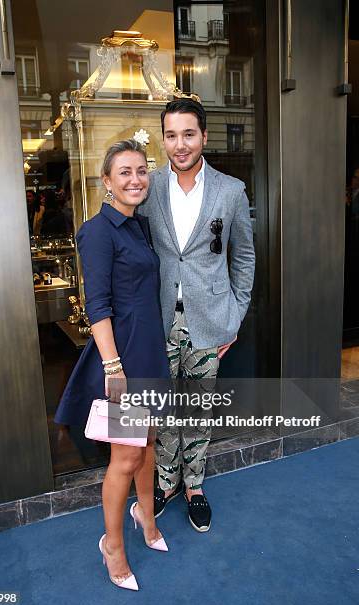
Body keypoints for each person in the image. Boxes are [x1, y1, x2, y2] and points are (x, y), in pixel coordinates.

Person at [54, 139, 170, 591]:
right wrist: (113, 366)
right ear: (106, 181)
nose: (135, 179)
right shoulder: (97, 231)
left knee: (149, 443)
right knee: (125, 456)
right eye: (124, 172)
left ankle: (146, 516)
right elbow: (96, 305)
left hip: (150, 352)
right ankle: (113, 546)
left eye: (141, 170)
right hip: (121, 359)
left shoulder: (138, 227)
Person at [139, 98, 255, 532]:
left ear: (204, 137)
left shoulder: (231, 191)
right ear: (163, 139)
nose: (180, 144)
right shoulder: (148, 188)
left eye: (189, 134)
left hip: (209, 322)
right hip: (160, 320)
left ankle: (194, 486)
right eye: (171, 135)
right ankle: (165, 482)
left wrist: (236, 315)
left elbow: (243, 259)